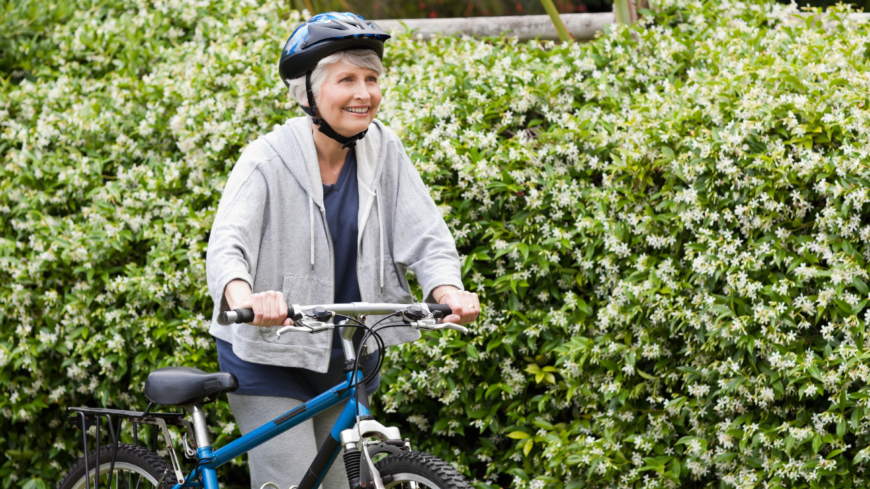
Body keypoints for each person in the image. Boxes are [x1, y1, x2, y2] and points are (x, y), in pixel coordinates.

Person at [205, 12, 480, 489]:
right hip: (270, 354)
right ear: (308, 94)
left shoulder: (385, 149)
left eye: (371, 79)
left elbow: (427, 236)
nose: (364, 93)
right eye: (347, 79)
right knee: (289, 477)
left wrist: (447, 289)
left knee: (344, 482)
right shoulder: (266, 158)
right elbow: (228, 245)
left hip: (346, 354)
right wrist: (245, 299)